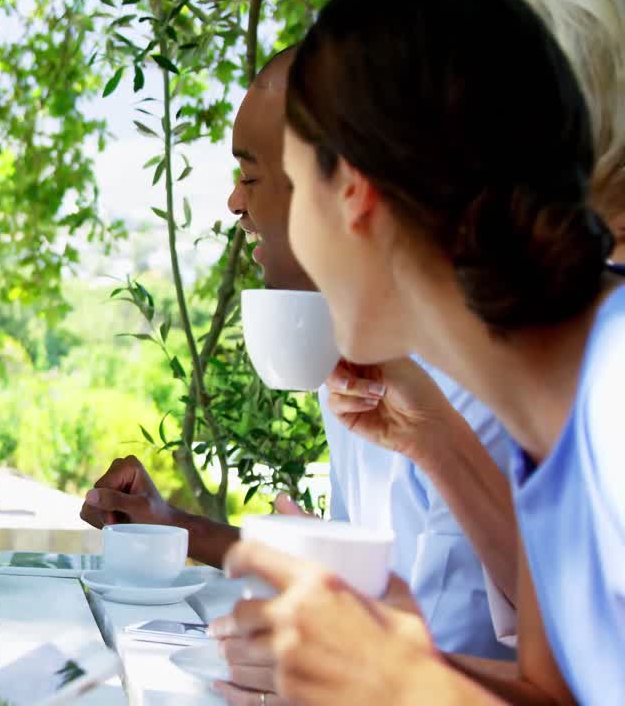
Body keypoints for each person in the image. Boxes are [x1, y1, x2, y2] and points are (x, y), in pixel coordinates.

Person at [222, 0, 621, 703]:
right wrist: (374, 655)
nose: (242, 206)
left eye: (281, 172)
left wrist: (405, 684)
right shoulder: (550, 424)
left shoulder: (615, 398)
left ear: (353, 191)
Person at [81, 43, 513, 704]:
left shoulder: (496, 381)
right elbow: (365, 602)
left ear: (351, 190)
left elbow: (431, 659)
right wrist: (176, 526)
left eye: (250, 175)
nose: (231, 202)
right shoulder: (373, 373)